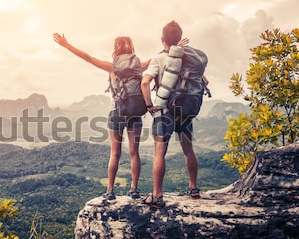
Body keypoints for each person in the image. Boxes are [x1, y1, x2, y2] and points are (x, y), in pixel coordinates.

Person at [53, 33, 149, 200]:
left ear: (116, 49)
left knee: (115, 153)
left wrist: (67, 46)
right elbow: (159, 59)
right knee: (134, 153)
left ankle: (110, 191)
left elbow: (88, 58)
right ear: (131, 49)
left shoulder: (111, 67)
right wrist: (173, 47)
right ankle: (134, 189)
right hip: (134, 113)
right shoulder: (139, 66)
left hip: (116, 113)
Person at [141, 20, 203, 209]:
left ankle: (157, 195)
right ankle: (193, 189)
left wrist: (149, 106)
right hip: (184, 110)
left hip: (164, 110)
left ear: (162, 39)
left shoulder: (158, 59)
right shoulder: (189, 57)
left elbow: (145, 82)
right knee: (188, 149)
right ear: (180, 38)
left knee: (160, 152)